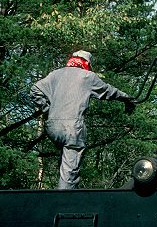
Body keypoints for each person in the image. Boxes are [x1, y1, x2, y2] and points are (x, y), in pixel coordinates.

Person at [31, 50, 134, 189]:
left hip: (52, 127)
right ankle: (65, 203)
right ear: (86, 63)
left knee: (64, 162)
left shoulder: (55, 74)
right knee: (70, 170)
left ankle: (64, 190)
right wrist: (126, 98)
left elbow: (35, 90)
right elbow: (109, 91)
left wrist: (47, 109)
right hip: (72, 128)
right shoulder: (87, 76)